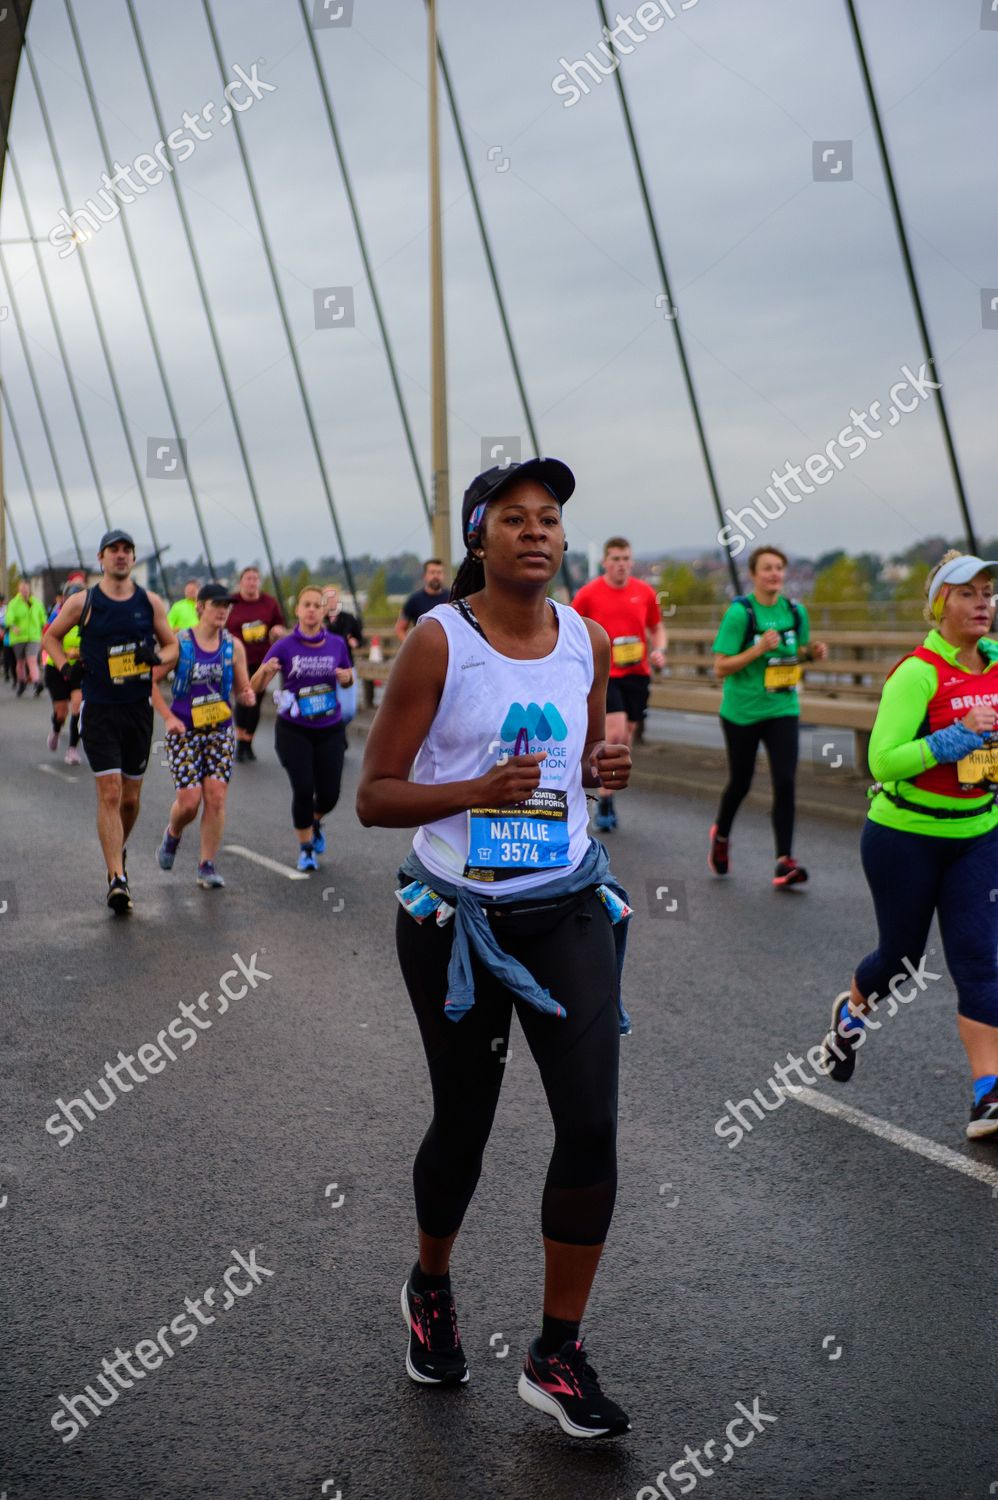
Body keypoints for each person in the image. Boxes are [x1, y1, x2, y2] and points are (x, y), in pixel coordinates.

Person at [357, 457, 635, 1440]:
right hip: (450, 922)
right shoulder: (439, 645)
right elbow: (375, 795)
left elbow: (573, 768)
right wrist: (471, 792)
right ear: (478, 537)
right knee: (464, 1126)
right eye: (513, 518)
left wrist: (603, 767)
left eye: (549, 517)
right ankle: (429, 1283)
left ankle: (555, 1351)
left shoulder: (588, 640)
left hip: (563, 907)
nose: (536, 532)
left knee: (590, 1125)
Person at [819, 551, 998, 1140]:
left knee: (979, 962)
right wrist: (953, 737)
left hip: (977, 834)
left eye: (988, 593)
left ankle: (987, 1095)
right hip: (904, 838)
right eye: (968, 593)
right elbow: (882, 760)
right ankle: (849, 1017)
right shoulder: (918, 673)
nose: (983, 604)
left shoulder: (996, 664)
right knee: (901, 961)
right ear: (940, 603)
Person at [43, 530, 177, 914]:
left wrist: (158, 659)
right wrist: (67, 668)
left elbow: (172, 646)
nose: (120, 556)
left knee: (131, 800)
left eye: (126, 550)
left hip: (137, 709)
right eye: (113, 550)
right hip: (100, 709)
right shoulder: (83, 602)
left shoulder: (149, 603)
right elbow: (51, 637)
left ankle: (117, 848)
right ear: (101, 559)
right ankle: (116, 877)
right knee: (111, 793)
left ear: (133, 559)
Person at [708, 546, 828, 886]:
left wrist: (812, 654)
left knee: (786, 782)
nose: (774, 574)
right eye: (767, 568)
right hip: (742, 711)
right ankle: (721, 836)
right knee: (741, 782)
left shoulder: (795, 611)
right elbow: (720, 667)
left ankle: (784, 860)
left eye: (779, 568)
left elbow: (797, 652)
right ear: (754, 575)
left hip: (783, 708)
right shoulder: (740, 614)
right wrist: (757, 649)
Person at [152, 584, 255, 889]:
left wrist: (247, 695)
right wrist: (168, 717)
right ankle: (173, 833)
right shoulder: (180, 643)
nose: (223, 610)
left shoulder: (233, 647)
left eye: (227, 605)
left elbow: (242, 687)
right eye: (217, 604)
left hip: (220, 730)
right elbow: (150, 681)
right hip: (183, 730)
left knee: (216, 797)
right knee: (189, 802)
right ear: (200, 607)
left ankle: (206, 864)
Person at [250, 586, 354, 872]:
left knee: (330, 794)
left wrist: (346, 678)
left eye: (316, 605)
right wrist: (265, 673)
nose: (311, 610)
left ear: (323, 611)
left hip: (330, 727)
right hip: (293, 728)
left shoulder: (336, 644)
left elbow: (347, 680)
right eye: (305, 604)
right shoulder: (284, 646)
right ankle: (306, 848)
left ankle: (315, 820)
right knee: (304, 787)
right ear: (297, 611)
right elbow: (255, 686)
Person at [571, 537, 666, 832]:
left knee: (627, 734)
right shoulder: (588, 594)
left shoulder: (645, 592)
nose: (621, 564)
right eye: (615, 558)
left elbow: (657, 627)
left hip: (637, 672)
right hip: (605, 674)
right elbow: (571, 628)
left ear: (631, 561)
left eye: (625, 558)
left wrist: (659, 649)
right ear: (605, 562)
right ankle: (606, 797)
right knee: (613, 731)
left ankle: (608, 786)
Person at [227, 566, 286, 762]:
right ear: (241, 582)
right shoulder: (232, 603)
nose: (252, 582)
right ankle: (240, 739)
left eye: (255, 579)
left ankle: (248, 742)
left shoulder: (269, 603)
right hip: (237, 659)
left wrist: (277, 630)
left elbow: (279, 622)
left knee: (256, 701)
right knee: (243, 698)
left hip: (262, 660)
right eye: (248, 579)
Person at [44, 582, 86, 764]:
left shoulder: (89, 619)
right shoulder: (58, 616)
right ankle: (55, 729)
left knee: (77, 706)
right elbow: (47, 639)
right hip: (57, 668)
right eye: (72, 597)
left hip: (78, 669)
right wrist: (63, 652)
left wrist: (78, 654)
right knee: (61, 712)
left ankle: (72, 749)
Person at [7, 578, 47, 697]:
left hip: (33, 637)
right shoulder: (13, 603)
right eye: (22, 588)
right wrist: (13, 626)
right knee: (20, 662)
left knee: (32, 660)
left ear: (29, 589)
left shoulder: (36, 603)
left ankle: (36, 683)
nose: (24, 590)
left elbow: (43, 619)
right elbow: (9, 618)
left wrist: (44, 632)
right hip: (18, 637)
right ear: (19, 589)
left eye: (26, 588)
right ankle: (22, 682)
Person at [395, 559, 450, 641]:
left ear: (443, 575)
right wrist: (410, 646)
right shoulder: (414, 600)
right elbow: (400, 629)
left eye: (439, 572)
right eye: (432, 572)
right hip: (423, 647)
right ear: (425, 576)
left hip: (447, 648)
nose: (436, 576)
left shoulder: (452, 598)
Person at [321, 585, 364, 663]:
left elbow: (360, 639)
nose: (330, 600)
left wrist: (355, 642)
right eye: (327, 597)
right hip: (323, 662)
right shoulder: (318, 620)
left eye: (333, 596)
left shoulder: (349, 618)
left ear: (338, 598)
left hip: (345, 662)